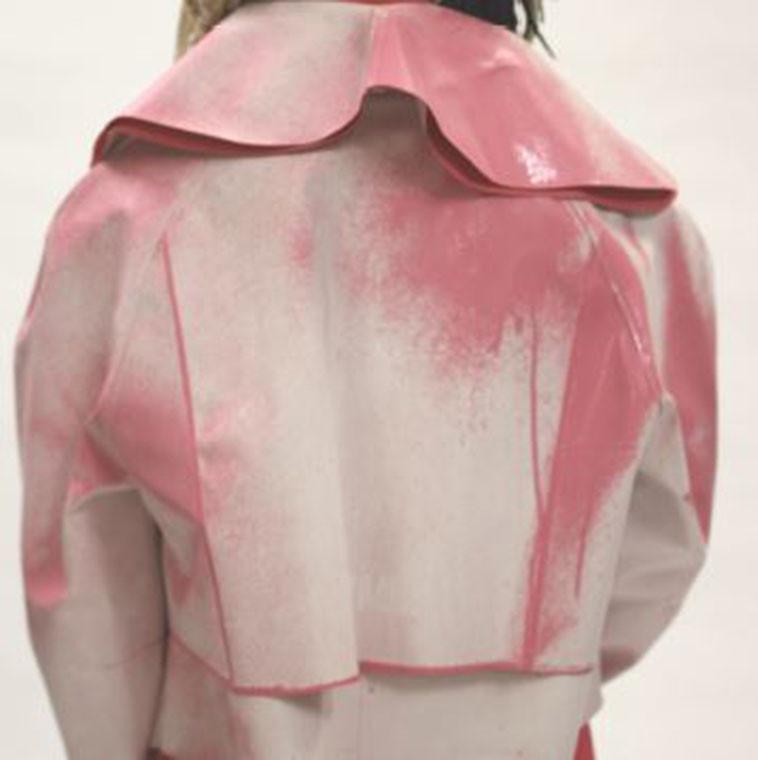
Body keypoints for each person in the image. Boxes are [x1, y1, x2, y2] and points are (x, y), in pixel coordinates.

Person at [12, 1, 718, 758]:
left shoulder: (126, 223)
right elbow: (658, 551)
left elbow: (86, 597)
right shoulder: (635, 238)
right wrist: (524, 700)